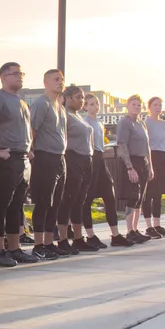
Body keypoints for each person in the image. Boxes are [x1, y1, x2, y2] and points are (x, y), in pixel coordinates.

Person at [0, 62, 37, 267]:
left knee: (16, 206)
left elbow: (27, 129)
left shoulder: (21, 102)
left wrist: (29, 149)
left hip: (21, 159)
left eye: (21, 72)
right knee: (0, 205)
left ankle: (15, 248)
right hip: (4, 159)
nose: (19, 76)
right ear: (3, 77)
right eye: (15, 73)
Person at [26, 70, 67, 260]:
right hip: (45, 158)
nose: (60, 82)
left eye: (62, 79)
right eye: (56, 80)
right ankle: (38, 244)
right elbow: (31, 129)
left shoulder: (59, 105)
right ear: (46, 82)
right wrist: (30, 151)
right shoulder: (42, 104)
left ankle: (49, 243)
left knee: (56, 203)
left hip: (60, 158)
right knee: (44, 202)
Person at [83, 94, 132, 248]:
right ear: (85, 107)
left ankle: (115, 235)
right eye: (91, 104)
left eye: (96, 103)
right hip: (90, 161)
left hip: (101, 161)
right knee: (87, 200)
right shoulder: (85, 123)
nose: (95, 106)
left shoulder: (99, 122)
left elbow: (100, 144)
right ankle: (90, 235)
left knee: (110, 198)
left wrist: (106, 151)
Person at [61, 86, 97, 253]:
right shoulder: (64, 115)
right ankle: (62, 239)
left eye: (82, 97)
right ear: (68, 98)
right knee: (69, 200)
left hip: (86, 160)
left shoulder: (79, 116)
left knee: (80, 201)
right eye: (78, 97)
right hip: (72, 158)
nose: (81, 100)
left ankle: (78, 238)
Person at [116, 95, 152, 245]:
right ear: (128, 105)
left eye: (139, 105)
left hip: (143, 161)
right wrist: (129, 167)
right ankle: (129, 231)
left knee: (139, 198)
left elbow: (148, 147)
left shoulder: (142, 123)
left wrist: (150, 166)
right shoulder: (125, 122)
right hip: (132, 161)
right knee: (132, 197)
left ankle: (136, 230)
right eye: (133, 104)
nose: (136, 107)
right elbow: (122, 145)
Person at [141, 97, 165, 239]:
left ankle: (157, 224)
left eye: (160, 105)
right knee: (149, 194)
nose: (158, 107)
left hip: (163, 156)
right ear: (149, 107)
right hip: (151, 156)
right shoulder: (145, 123)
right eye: (155, 105)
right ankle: (148, 226)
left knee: (159, 193)